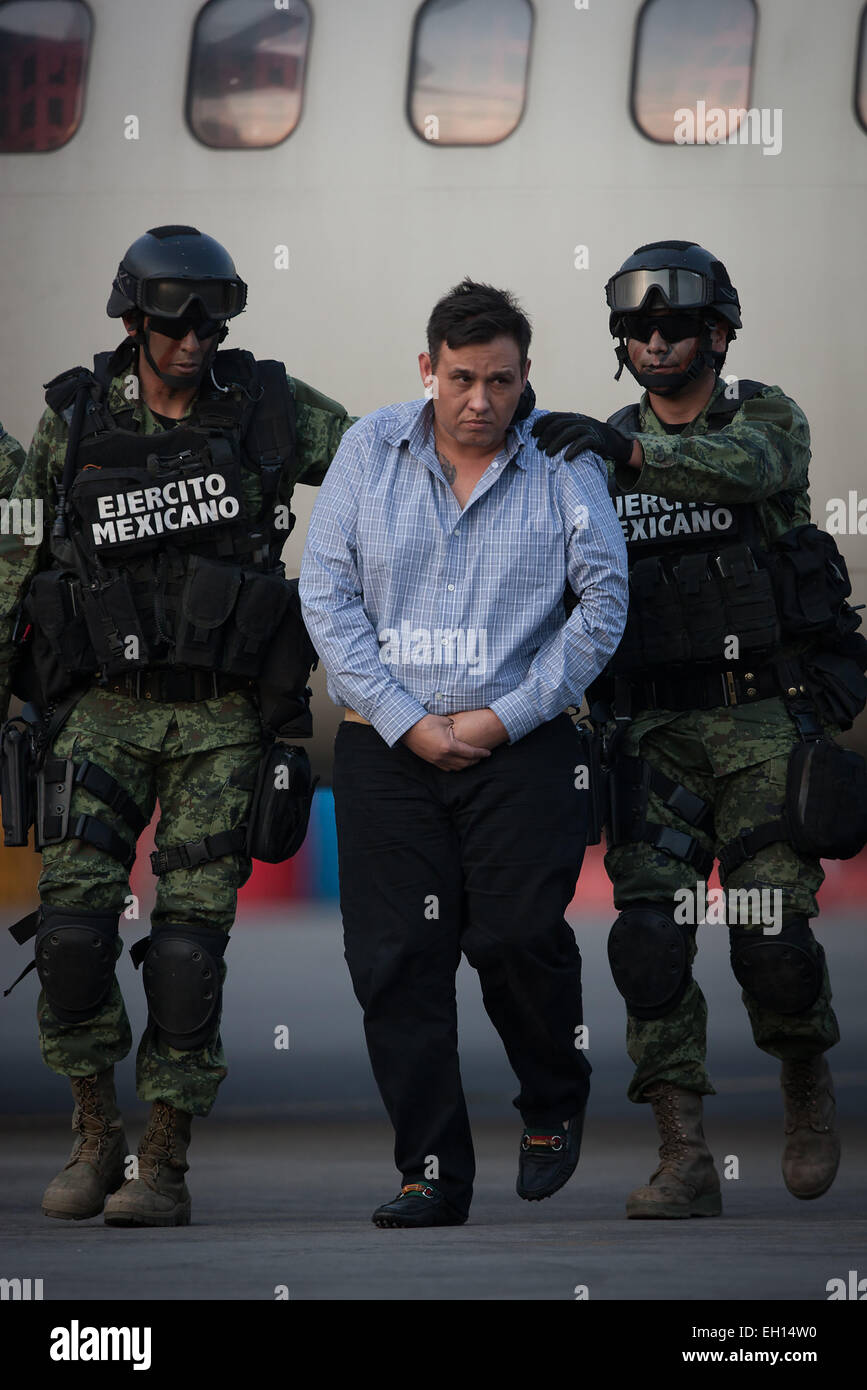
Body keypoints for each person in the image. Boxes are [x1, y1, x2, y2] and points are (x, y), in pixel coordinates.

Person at [0, 225, 354, 1227]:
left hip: (221, 720)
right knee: (71, 934)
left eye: (212, 319)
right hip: (103, 714)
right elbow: (15, 554)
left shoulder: (267, 409)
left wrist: (488, 418)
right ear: (132, 322)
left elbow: (384, 458)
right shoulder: (73, 420)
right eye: (174, 321)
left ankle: (164, 1156)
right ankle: (91, 1129)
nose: (196, 339)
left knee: (190, 950)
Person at [532, 240, 867, 1218]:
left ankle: (804, 1074)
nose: (658, 341)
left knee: (772, 937)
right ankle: (683, 1153)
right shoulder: (593, 456)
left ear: (719, 333)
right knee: (646, 942)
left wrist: (631, 453)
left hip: (760, 719)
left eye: (678, 324)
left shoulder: (762, 419)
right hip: (655, 733)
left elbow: (746, 467)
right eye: (639, 327)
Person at [300, 278, 628, 1227]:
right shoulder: (368, 449)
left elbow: (602, 605)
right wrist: (407, 720)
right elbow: (327, 599)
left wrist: (502, 717)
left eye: (500, 380)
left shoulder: (562, 463)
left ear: (527, 378)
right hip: (384, 747)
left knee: (512, 936)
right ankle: (431, 1173)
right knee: (397, 961)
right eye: (460, 378)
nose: (480, 400)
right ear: (426, 370)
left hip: (518, 746)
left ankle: (551, 1098)